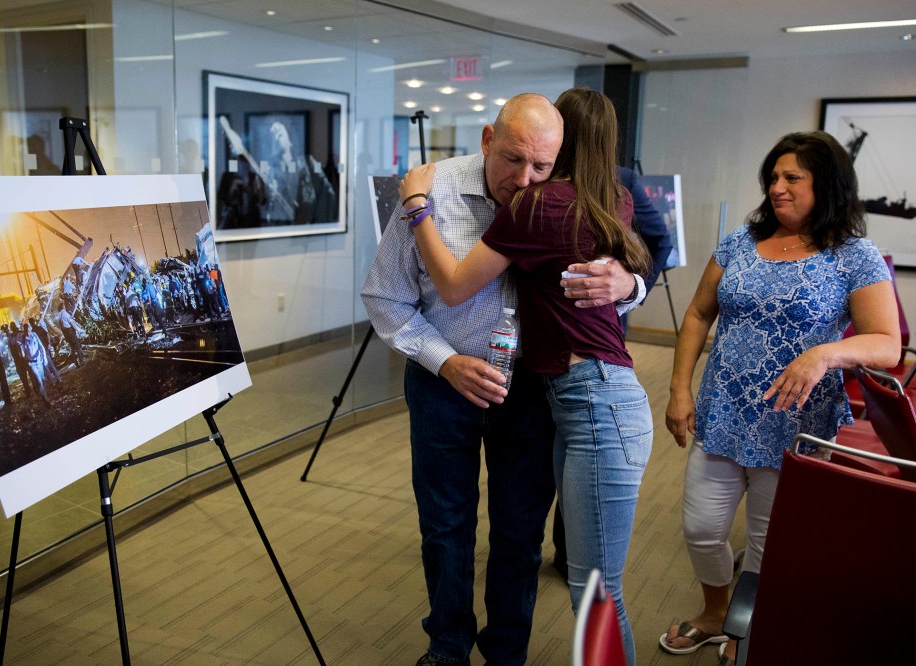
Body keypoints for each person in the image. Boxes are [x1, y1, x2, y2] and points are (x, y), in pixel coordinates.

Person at [361, 93, 643, 666]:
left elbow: (618, 267)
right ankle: (447, 645)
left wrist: (629, 285)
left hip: (532, 392)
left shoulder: (556, 200)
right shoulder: (430, 190)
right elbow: (385, 298)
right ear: (488, 139)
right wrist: (445, 360)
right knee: (446, 525)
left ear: (560, 158)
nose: (525, 178)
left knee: (519, 532)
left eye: (542, 166)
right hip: (444, 385)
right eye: (513, 160)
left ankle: (506, 652)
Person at [659, 131, 901, 665]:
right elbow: (699, 313)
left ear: (828, 185)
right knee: (701, 530)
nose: (777, 188)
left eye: (793, 178)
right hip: (723, 411)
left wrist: (824, 355)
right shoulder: (741, 241)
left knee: (770, 541)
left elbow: (887, 343)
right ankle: (714, 611)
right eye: (773, 177)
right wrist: (679, 389)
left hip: (796, 422)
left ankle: (748, 626)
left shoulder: (853, 255)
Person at [551, 162, 673, 580]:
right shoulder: (535, 184)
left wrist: (629, 288)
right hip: (540, 362)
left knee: (596, 577)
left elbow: (660, 240)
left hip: (596, 356)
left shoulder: (621, 182)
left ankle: (571, 552)